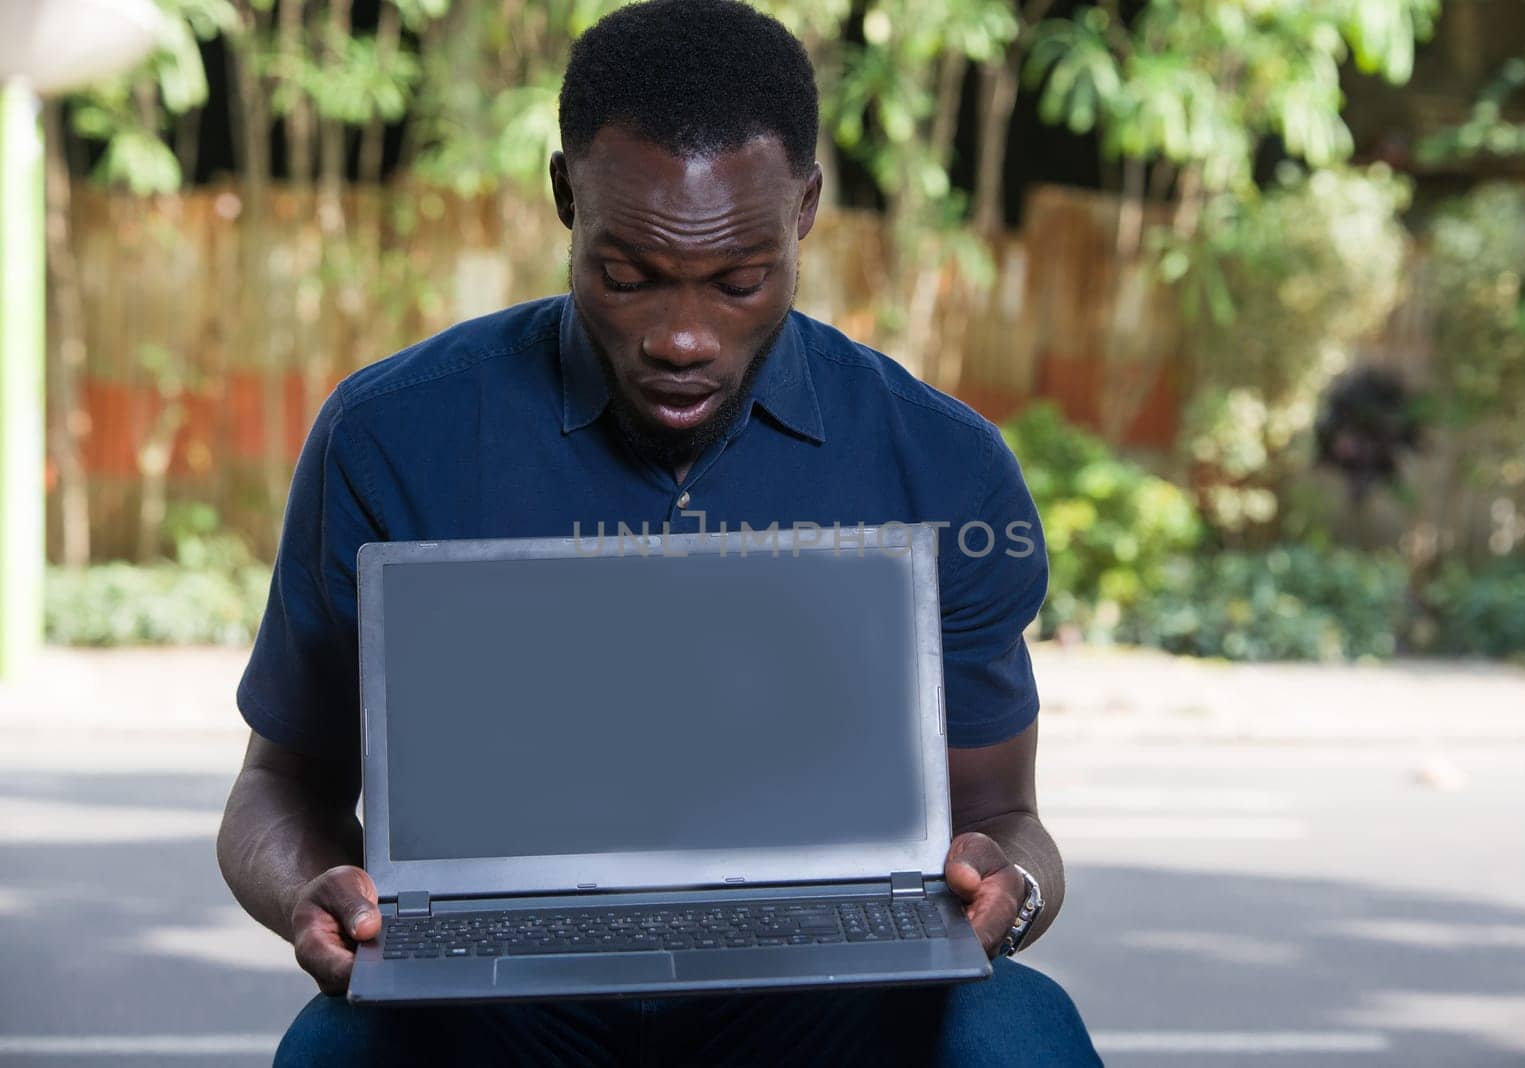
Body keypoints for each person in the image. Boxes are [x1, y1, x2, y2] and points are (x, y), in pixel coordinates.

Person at [216, 1, 1103, 1064]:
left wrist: (1011, 896)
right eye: (627, 276)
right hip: (498, 1002)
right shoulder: (391, 438)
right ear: (564, 198)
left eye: (740, 281)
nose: (682, 338)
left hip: (830, 998)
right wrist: (311, 894)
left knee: (1021, 1032)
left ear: (806, 210)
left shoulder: (942, 466)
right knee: (331, 1052)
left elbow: (1007, 819)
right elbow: (276, 787)